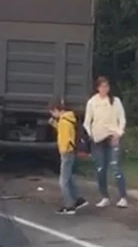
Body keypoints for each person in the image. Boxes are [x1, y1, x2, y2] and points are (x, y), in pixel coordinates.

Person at [83, 76, 128, 208]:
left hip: (112, 137)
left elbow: (122, 119)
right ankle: (105, 196)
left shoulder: (115, 101)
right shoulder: (92, 102)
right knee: (100, 169)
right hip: (98, 139)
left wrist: (119, 134)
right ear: (97, 88)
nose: (105, 89)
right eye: (102, 86)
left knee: (115, 166)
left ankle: (123, 197)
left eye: (107, 86)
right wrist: (91, 135)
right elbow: (87, 122)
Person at [48, 99, 88, 215]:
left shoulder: (64, 122)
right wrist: (55, 124)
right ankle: (78, 200)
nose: (53, 115)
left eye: (53, 113)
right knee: (69, 178)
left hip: (66, 153)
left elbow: (65, 136)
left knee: (63, 181)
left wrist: (63, 150)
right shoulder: (67, 119)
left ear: (56, 110)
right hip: (71, 152)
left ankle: (69, 206)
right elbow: (64, 130)